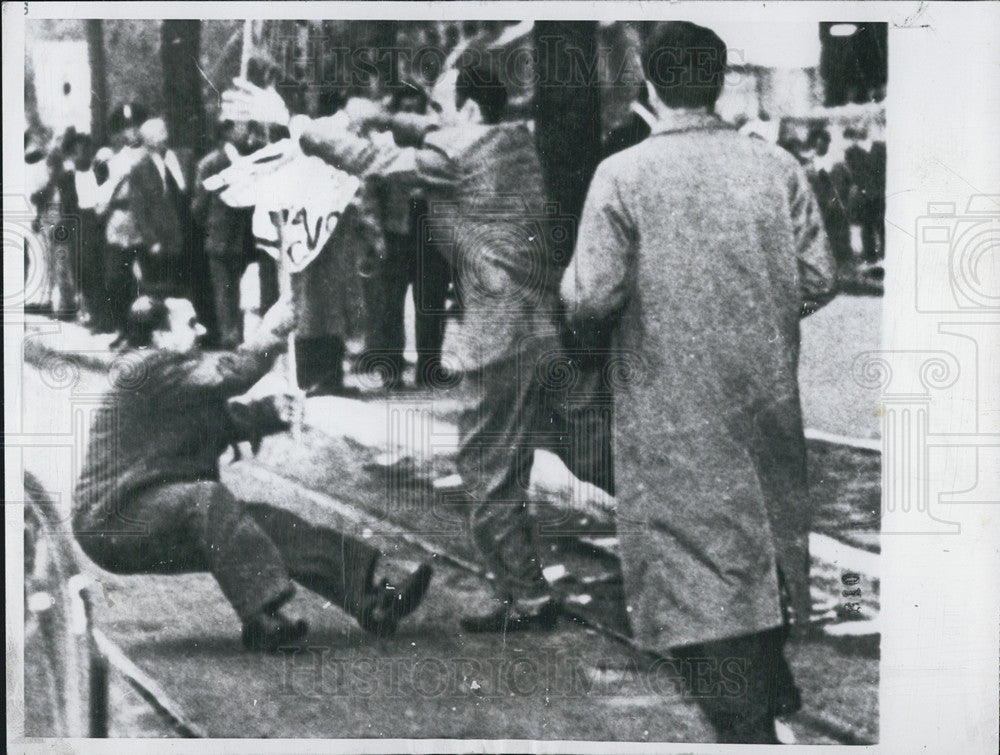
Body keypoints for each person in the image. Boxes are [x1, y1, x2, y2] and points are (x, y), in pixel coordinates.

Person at [560, 22, 836, 743]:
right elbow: (819, 276)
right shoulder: (774, 167)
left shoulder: (622, 174)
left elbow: (590, 295)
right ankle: (769, 688)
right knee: (761, 552)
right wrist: (755, 310)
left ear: (649, 82)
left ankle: (745, 727)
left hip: (668, 402)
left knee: (689, 574)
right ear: (717, 80)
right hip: (763, 396)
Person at [236, 62, 568, 631]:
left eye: (440, 107)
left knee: (486, 474)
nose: (430, 119)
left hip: (501, 340)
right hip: (536, 332)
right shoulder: (512, 142)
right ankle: (526, 593)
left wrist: (292, 122)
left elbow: (372, 161)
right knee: (514, 467)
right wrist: (383, 114)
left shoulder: (457, 159)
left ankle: (530, 602)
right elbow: (429, 130)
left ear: (466, 112)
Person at [72, 293, 433, 651]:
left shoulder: (173, 380)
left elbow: (221, 421)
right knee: (206, 500)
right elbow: (231, 374)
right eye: (191, 324)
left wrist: (274, 410)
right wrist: (272, 332)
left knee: (267, 524)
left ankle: (372, 599)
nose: (202, 330)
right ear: (160, 337)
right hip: (112, 519)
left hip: (148, 514)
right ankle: (261, 616)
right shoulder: (144, 367)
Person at [359, 84, 452, 389]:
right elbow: (369, 193)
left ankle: (430, 367)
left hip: (430, 229)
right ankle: (391, 369)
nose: (411, 116)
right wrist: (375, 233)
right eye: (405, 110)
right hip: (395, 231)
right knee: (390, 304)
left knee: (432, 300)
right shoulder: (383, 146)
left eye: (416, 109)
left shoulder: (437, 143)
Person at [193, 119, 268, 349]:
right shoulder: (211, 163)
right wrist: (214, 227)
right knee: (226, 293)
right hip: (223, 239)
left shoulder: (252, 159)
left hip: (247, 239)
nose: (248, 131)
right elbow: (199, 206)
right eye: (241, 125)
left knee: (246, 293)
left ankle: (244, 338)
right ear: (227, 130)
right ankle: (231, 340)